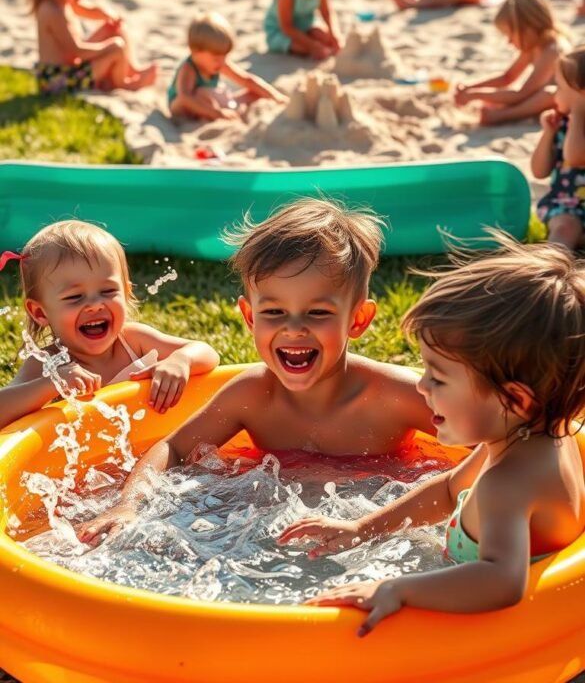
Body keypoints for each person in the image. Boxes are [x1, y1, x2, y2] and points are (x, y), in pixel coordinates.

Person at [77, 198, 434, 543]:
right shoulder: (251, 395)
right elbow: (173, 449)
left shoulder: (395, 397)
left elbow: (486, 444)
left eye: (318, 313)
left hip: (380, 516)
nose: (294, 328)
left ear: (357, 320)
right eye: (275, 313)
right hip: (272, 519)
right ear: (250, 317)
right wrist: (126, 506)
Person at [279, 235, 585, 634]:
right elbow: (447, 491)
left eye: (438, 379)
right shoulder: (535, 439)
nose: (421, 387)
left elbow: (502, 581)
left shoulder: (506, 485)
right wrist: (361, 529)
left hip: (499, 641)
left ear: (514, 400)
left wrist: (397, 589)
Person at [0, 220, 219, 431]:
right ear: (40, 312)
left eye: (108, 291)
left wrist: (181, 360)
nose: (95, 305)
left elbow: (208, 353)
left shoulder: (134, 341)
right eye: (75, 297)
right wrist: (50, 384)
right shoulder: (47, 363)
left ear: (127, 292)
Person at [28, 0, 157, 95]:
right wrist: (107, 48)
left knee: (115, 30)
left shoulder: (63, 1)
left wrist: (107, 16)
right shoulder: (52, 11)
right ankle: (123, 84)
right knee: (116, 47)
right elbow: (76, 51)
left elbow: (89, 10)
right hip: (58, 81)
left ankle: (132, 70)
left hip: (71, 69)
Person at [455, 0, 570, 125]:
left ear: (528, 29)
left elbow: (522, 94)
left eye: (510, 35)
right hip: (534, 96)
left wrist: (476, 95)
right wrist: (470, 87)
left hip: (564, 102)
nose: (509, 42)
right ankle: (502, 111)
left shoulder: (553, 51)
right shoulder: (533, 45)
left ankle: (503, 115)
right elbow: (507, 77)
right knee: (513, 95)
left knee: (549, 94)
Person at [168, 12, 286, 121]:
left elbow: (247, 80)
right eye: (216, 57)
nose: (222, 61)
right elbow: (184, 97)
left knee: (254, 93)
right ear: (195, 52)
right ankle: (226, 114)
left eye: (225, 56)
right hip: (186, 106)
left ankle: (232, 111)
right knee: (201, 94)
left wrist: (276, 96)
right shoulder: (189, 68)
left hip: (212, 101)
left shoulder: (220, 63)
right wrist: (216, 113)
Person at [533, 45, 585, 250]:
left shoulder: (574, 122)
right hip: (567, 207)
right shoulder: (561, 124)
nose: (555, 93)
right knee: (564, 229)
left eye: (560, 88)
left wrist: (578, 112)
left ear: (581, 93)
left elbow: (575, 156)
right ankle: (552, 267)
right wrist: (548, 134)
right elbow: (539, 171)